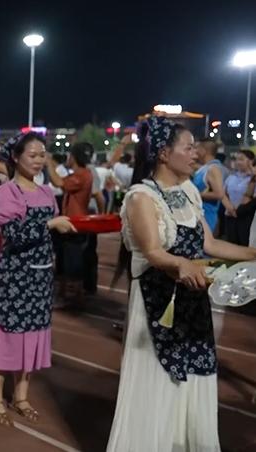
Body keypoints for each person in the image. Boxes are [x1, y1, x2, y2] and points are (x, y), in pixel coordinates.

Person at [107, 116, 256, 451]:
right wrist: (180, 263)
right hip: (159, 305)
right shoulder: (142, 197)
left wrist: (251, 253)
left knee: (195, 376)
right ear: (163, 153)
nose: (196, 154)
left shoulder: (189, 191)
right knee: (159, 379)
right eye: (189, 148)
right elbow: (153, 252)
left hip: (193, 299)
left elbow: (210, 245)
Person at [0, 132, 76, 426]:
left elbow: (49, 233)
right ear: (16, 158)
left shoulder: (46, 193)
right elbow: (14, 236)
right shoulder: (7, 193)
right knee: (7, 334)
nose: (39, 160)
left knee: (32, 334)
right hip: (14, 276)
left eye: (42, 155)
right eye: (32, 155)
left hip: (41, 276)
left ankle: (21, 397)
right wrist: (50, 224)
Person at [47, 142, 94, 303]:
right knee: (66, 259)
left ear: (74, 157)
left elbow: (58, 183)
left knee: (72, 260)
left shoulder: (82, 174)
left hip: (75, 223)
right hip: (72, 222)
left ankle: (74, 298)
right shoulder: (81, 173)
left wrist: (48, 162)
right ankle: (67, 295)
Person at [221, 150, 255, 246]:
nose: (238, 162)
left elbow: (251, 198)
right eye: (236, 159)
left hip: (247, 217)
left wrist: (239, 210)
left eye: (241, 159)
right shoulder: (231, 177)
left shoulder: (252, 179)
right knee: (231, 244)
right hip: (230, 215)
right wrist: (229, 208)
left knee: (245, 243)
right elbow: (223, 194)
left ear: (251, 161)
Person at [192, 138, 225, 236]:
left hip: (207, 216)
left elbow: (219, 194)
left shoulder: (213, 169)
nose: (194, 151)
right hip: (200, 215)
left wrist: (195, 194)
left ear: (203, 151)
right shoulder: (205, 168)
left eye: (196, 148)